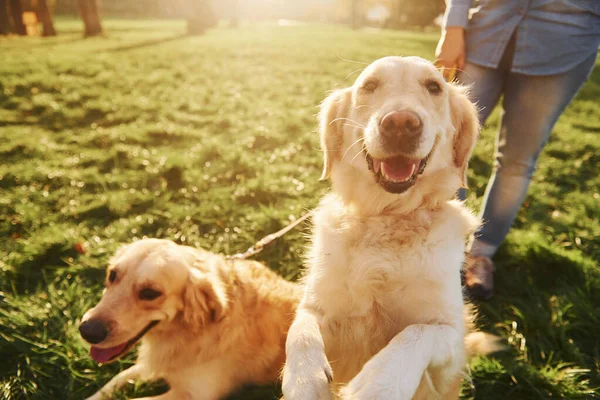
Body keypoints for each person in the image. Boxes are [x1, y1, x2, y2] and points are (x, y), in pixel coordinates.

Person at [435, 0, 600, 300]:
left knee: (516, 161)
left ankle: (480, 254)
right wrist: (453, 25)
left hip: (565, 44)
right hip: (484, 30)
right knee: (445, 146)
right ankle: (437, 244)